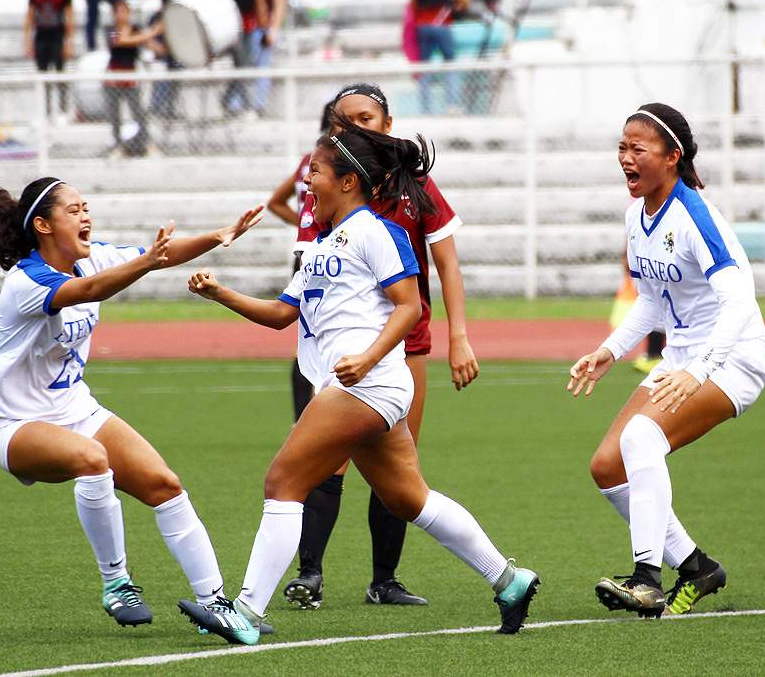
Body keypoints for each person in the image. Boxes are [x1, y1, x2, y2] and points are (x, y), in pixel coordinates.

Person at [179, 123, 539, 645]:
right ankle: (509, 581)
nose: (307, 185)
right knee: (408, 497)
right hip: (367, 388)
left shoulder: (376, 231)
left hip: (368, 386)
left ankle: (247, 614)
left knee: (283, 481)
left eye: (316, 174)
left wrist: (367, 358)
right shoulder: (326, 244)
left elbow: (410, 305)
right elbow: (283, 314)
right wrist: (220, 293)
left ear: (348, 181)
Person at [0, 176, 265, 628]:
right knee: (92, 458)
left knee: (164, 485)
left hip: (73, 408)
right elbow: (89, 291)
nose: (85, 215)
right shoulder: (26, 281)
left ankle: (217, 604)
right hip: (10, 421)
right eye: (73, 210)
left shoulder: (95, 258)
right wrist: (146, 261)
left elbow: (161, 256)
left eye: (87, 207)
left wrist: (219, 236)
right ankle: (116, 582)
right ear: (43, 226)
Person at [282, 83, 479, 610]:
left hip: (403, 346)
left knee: (400, 470)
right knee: (323, 459)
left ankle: (384, 580)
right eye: (344, 122)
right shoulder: (324, 190)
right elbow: (308, 271)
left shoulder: (417, 185)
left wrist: (459, 337)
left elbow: (448, 264)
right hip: (336, 348)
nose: (355, 128)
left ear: (388, 124)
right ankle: (310, 573)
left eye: (366, 117)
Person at [567, 103, 765, 618]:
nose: (626, 158)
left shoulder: (695, 214)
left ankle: (647, 580)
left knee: (640, 437)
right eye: (622, 147)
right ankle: (698, 567)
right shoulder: (637, 215)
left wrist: (699, 369)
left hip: (733, 358)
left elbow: (740, 301)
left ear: (673, 156)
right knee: (607, 467)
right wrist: (609, 351)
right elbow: (653, 302)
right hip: (683, 357)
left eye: (638, 149)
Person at [265, 102, 334, 424]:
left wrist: (302, 224)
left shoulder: (309, 161)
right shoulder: (336, 163)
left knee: (311, 340)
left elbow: (276, 202)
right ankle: (313, 422)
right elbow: (276, 203)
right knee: (318, 340)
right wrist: (309, 227)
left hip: (310, 254)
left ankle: (304, 421)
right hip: (322, 258)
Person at [411, 0, 468, 113]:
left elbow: (413, 4)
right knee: (450, 64)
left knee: (424, 67)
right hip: (442, 24)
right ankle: (452, 106)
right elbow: (463, 1)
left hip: (423, 26)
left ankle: (425, 108)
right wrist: (454, 9)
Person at [105, 0, 161, 158]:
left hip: (130, 76)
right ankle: (118, 146)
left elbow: (150, 44)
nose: (122, 14)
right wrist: (150, 32)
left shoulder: (136, 30)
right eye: (119, 11)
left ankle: (147, 144)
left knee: (138, 113)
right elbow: (122, 41)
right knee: (115, 115)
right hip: (114, 77)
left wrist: (157, 39)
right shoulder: (111, 30)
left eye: (124, 11)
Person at [26, 0, 75, 118]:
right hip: (41, 36)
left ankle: (62, 110)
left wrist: (69, 41)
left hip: (57, 35)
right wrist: (27, 40)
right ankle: (45, 111)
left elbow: (69, 16)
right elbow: (31, 15)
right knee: (42, 74)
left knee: (60, 73)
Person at [216, 0, 259, 116]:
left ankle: (228, 99)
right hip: (233, 28)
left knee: (244, 66)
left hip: (249, 26)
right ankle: (246, 104)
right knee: (242, 65)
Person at [249, 0, 287, 116]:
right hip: (250, 29)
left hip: (264, 29)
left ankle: (259, 105)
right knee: (248, 66)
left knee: (263, 67)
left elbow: (279, 5)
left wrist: (273, 29)